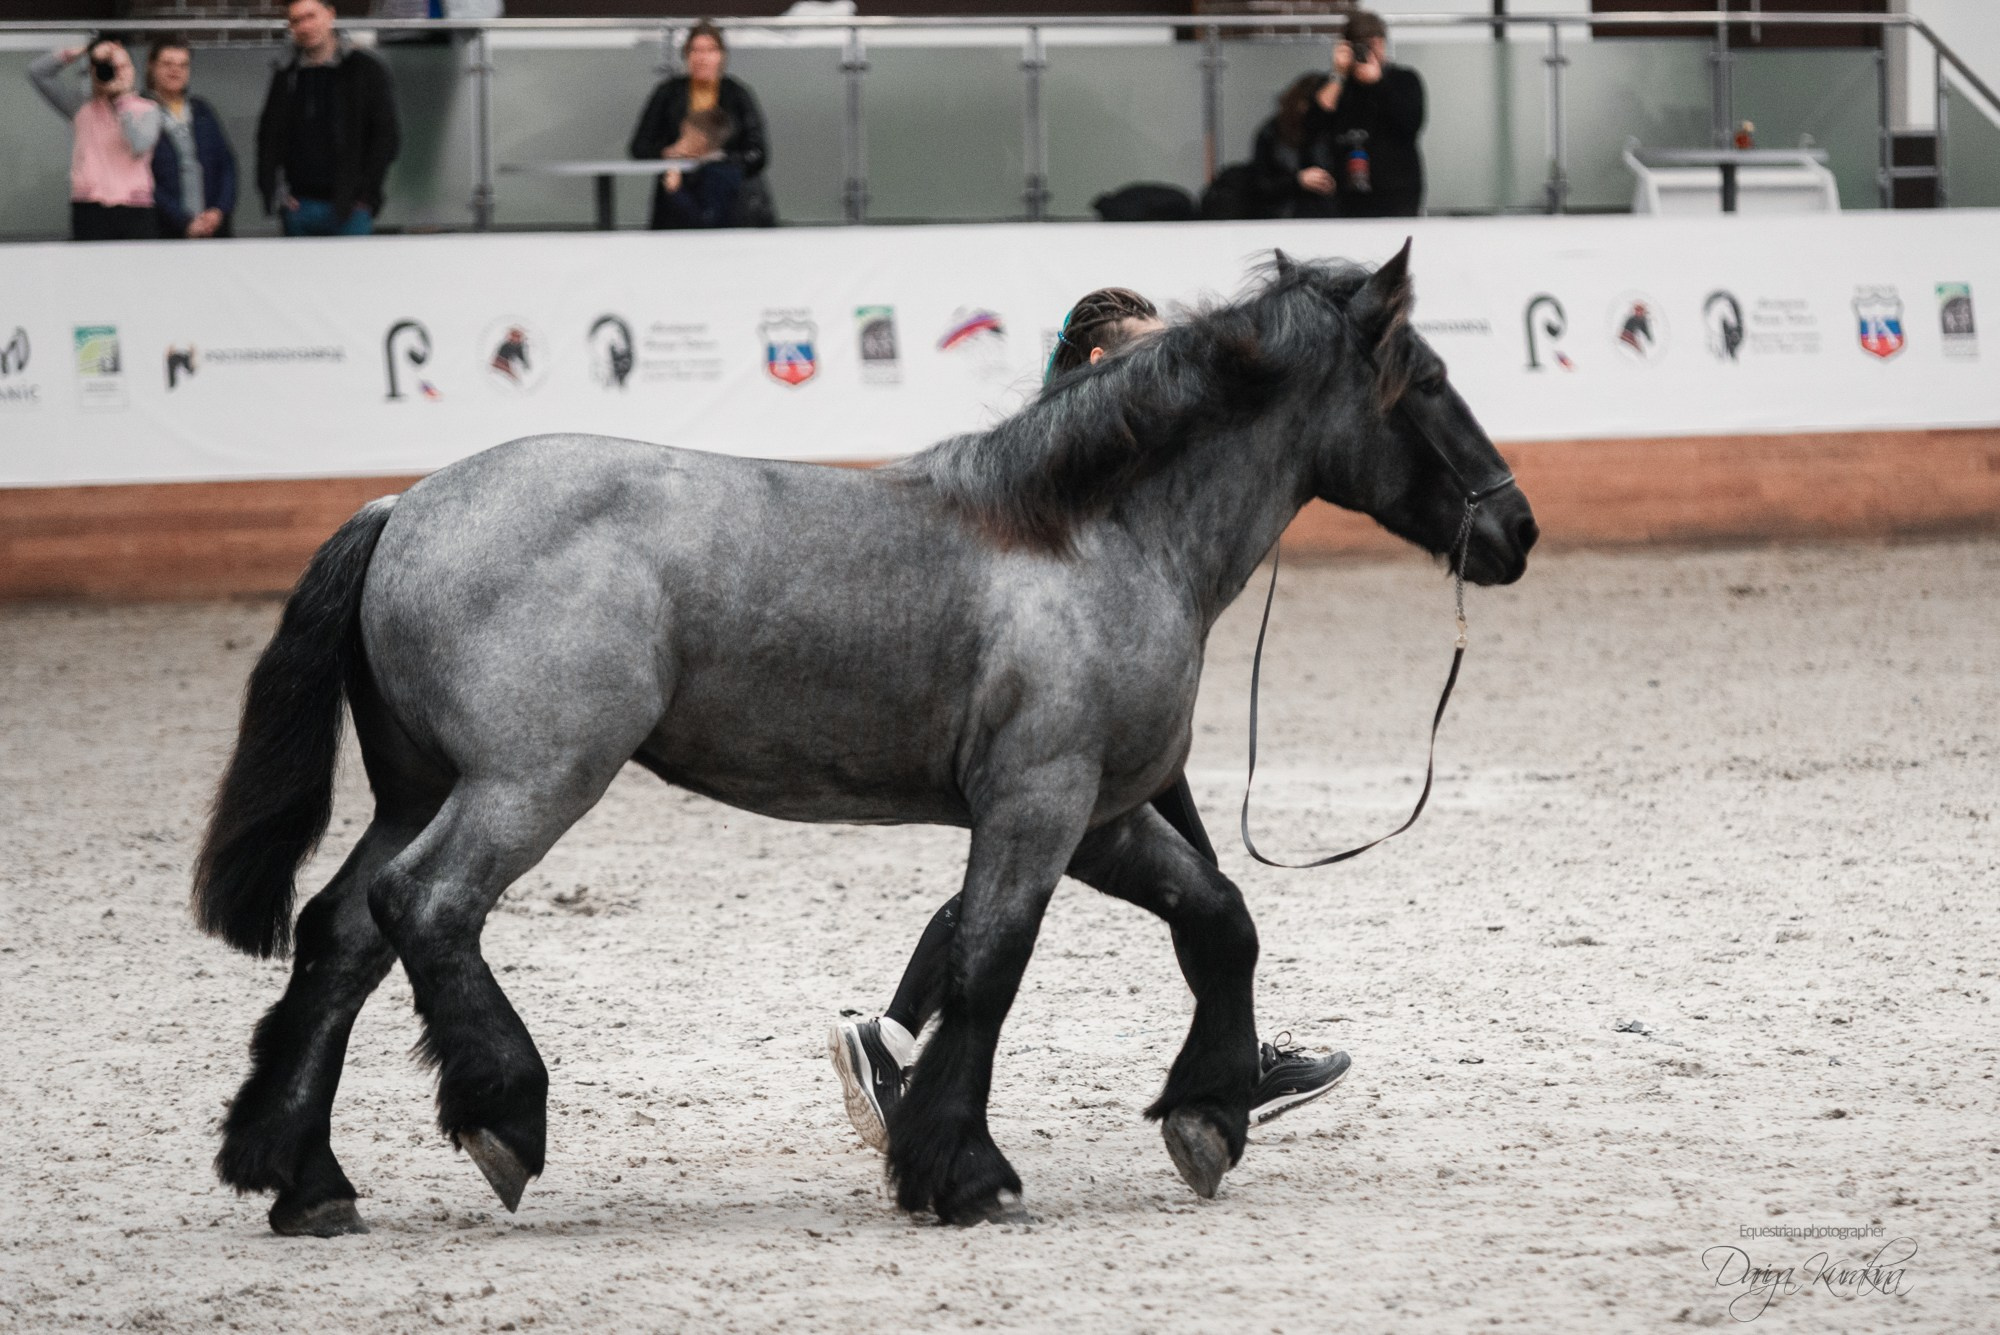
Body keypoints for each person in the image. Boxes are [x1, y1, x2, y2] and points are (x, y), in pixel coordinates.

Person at [829, 288, 1352, 1154]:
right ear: (1103, 365)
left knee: (1182, 880)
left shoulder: (1097, 444)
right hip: (1079, 715)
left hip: (1112, 708)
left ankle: (1233, 1055)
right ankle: (890, 1036)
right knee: (1053, 877)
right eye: (1151, 351)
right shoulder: (1079, 453)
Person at [255, 0, 401, 237]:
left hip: (352, 209)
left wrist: (365, 195)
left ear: (330, 15)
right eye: (296, 20)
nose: (305, 26)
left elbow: (386, 137)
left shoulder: (365, 69)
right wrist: (276, 192)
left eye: (311, 16)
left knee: (353, 263)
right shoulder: (286, 74)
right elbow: (268, 137)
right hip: (298, 206)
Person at [629, 21, 774, 230]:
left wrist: (715, 159)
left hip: (731, 200)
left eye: (710, 50)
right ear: (686, 55)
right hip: (676, 200)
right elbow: (639, 147)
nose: (702, 58)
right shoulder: (668, 93)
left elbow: (758, 154)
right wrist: (669, 152)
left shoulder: (737, 94)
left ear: (722, 55)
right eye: (695, 50)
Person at [27, 37, 163, 241]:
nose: (117, 73)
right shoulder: (80, 106)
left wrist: (122, 100)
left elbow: (139, 145)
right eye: (110, 68)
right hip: (90, 206)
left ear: (133, 70)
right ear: (93, 72)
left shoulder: (147, 109)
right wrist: (82, 50)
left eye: (123, 67)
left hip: (136, 206)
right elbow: (37, 72)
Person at [1301, 8, 1426, 219]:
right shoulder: (1335, 85)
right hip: (1345, 196)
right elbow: (1312, 125)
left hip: (1397, 194)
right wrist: (1339, 74)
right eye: (1362, 46)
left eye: (1375, 45)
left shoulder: (1403, 80)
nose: (1369, 53)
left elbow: (1411, 123)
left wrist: (1377, 83)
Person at [145, 38, 237, 240]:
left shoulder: (202, 110)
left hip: (213, 227)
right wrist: (183, 221)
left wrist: (219, 210)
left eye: (183, 65)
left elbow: (226, 164)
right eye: (168, 64)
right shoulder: (139, 111)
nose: (175, 71)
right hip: (165, 231)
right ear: (151, 66)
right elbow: (142, 179)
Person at [1249, 74, 1340, 220]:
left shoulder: (1333, 130)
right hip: (1284, 215)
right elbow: (1261, 184)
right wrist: (1298, 180)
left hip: (1329, 214)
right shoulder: (1272, 133)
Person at [651, 107, 743, 230]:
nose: (679, 143)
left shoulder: (718, 174)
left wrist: (677, 190)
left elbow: (705, 220)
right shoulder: (705, 169)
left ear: (700, 141)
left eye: (684, 136)